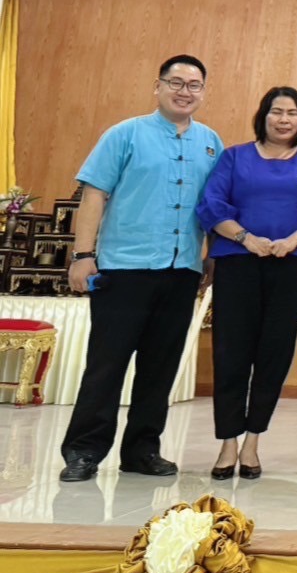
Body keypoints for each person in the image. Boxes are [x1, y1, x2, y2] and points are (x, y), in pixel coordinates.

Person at [58, 54, 224, 483]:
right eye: (176, 82)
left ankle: (142, 450)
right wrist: (82, 255)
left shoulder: (211, 143)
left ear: (203, 92)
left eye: (195, 85)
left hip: (181, 270)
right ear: (158, 86)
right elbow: (93, 195)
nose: (185, 91)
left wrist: (210, 257)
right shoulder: (125, 134)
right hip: (124, 270)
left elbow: (215, 207)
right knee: (106, 366)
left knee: (159, 368)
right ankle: (83, 452)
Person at [196, 86, 297, 480]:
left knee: (274, 353)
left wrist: (292, 241)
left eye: (292, 113)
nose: (283, 119)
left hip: (290, 266)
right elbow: (211, 205)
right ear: (263, 115)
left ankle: (253, 442)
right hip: (237, 264)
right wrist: (246, 238)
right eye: (276, 111)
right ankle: (227, 443)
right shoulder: (234, 157)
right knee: (230, 351)